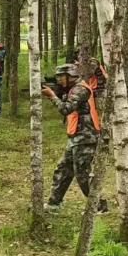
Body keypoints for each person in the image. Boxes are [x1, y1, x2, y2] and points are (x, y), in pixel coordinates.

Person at [41, 64, 108, 215]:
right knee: (63, 169)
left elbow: (66, 109)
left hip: (86, 137)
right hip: (76, 136)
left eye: (61, 76)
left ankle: (99, 205)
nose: (59, 79)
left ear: (70, 75)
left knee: (82, 173)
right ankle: (53, 204)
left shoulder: (80, 89)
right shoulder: (73, 89)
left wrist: (52, 96)